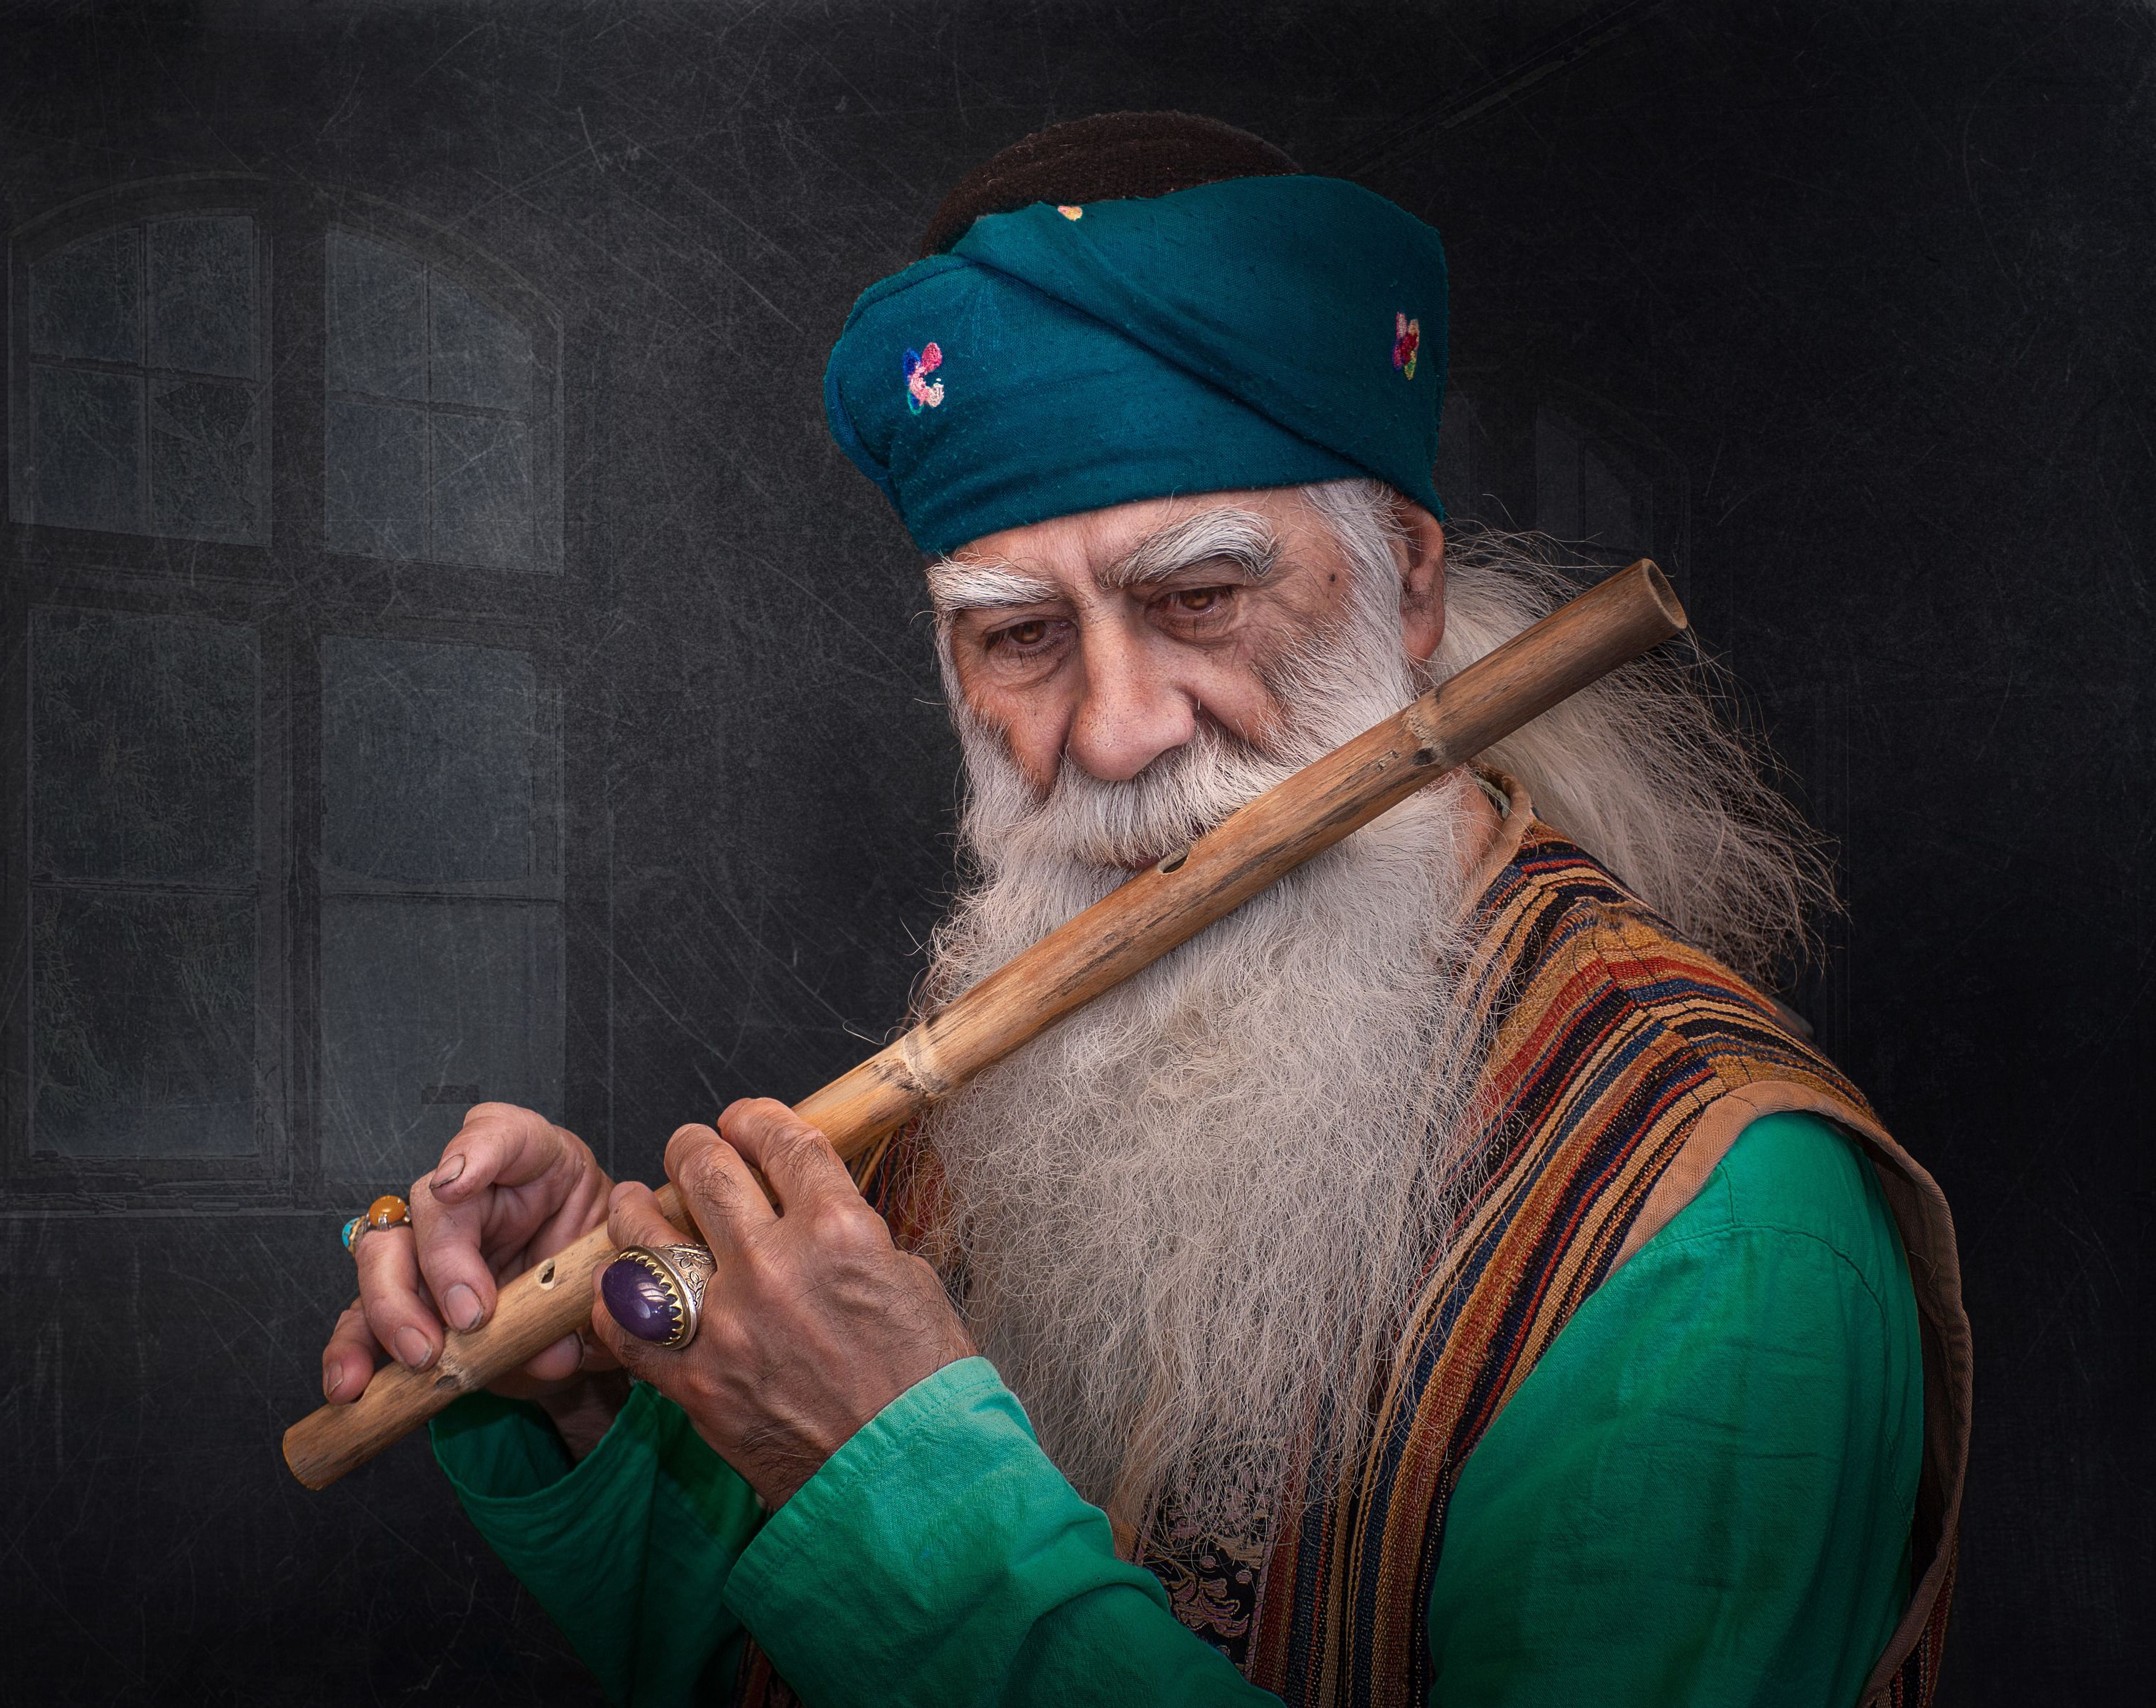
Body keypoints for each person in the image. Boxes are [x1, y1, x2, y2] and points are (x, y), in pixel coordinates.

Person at [316, 112, 1969, 1707]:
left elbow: (894, 1553)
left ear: (1405, 584)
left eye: (1198, 596)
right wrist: (613, 1373)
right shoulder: (1016, 1092)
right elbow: (778, 1652)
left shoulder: (1717, 1234)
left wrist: (889, 1483)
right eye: (1019, 635)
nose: (1114, 733)